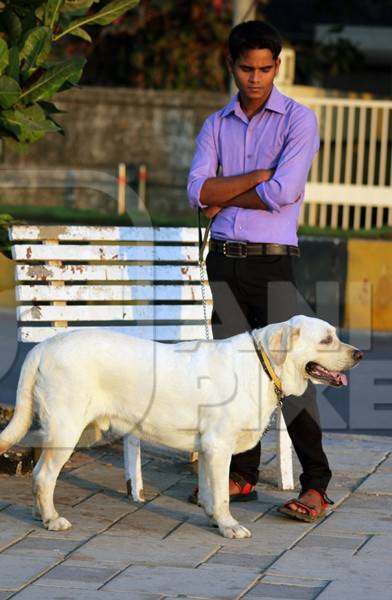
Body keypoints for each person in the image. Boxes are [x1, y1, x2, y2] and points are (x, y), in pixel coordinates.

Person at [187, 20, 333, 521]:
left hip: (273, 262)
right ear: (231, 66)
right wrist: (254, 176)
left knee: (291, 372)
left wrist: (225, 190)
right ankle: (241, 474)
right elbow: (198, 193)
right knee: (232, 371)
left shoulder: (298, 120)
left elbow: (285, 192)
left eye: (265, 69)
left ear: (277, 66)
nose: (255, 78)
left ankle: (316, 483)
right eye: (246, 68)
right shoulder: (215, 125)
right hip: (223, 260)